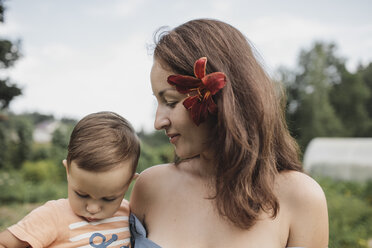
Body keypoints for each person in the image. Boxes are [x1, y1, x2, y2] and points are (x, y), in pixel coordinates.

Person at [130, 18, 329, 248]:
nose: (158, 122)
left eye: (171, 102)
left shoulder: (301, 198)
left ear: (218, 96)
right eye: (158, 101)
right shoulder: (150, 187)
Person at [0, 111, 140, 248]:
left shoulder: (129, 214)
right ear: (68, 171)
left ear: (128, 183)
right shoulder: (52, 216)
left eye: (108, 199)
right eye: (82, 194)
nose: (92, 208)